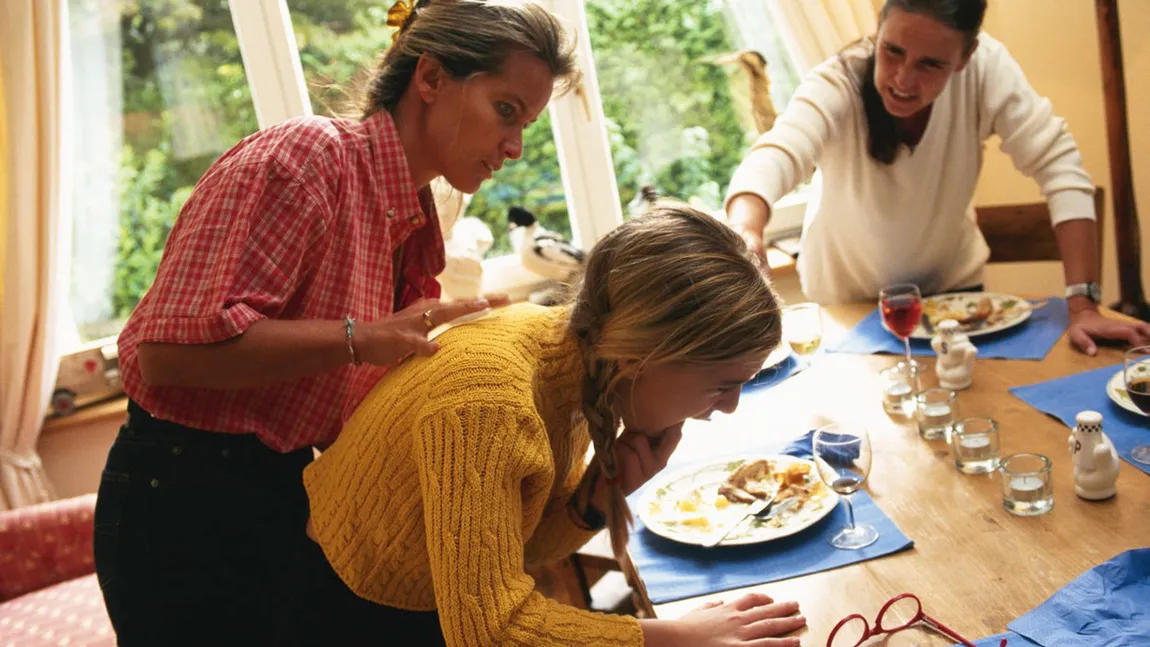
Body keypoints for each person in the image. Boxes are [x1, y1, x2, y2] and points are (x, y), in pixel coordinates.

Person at [93, 1, 580, 643]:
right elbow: (164, 354)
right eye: (506, 111)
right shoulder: (305, 159)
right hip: (183, 501)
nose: (514, 148)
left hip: (280, 490)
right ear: (430, 79)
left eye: (527, 124)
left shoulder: (410, 217)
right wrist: (361, 339)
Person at [298, 205, 807, 646]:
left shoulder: (579, 363)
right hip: (351, 615)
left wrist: (601, 494)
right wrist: (678, 636)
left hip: (420, 606)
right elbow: (490, 631)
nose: (731, 406)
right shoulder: (488, 404)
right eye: (722, 385)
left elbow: (520, 543)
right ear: (643, 358)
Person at [726, 0, 1150, 355]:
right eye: (892, 51)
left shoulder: (987, 69)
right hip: (848, 310)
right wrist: (747, 231)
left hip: (959, 302)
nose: (903, 80)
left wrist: (1084, 305)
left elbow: (1059, 167)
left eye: (930, 65)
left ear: (965, 57)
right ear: (879, 29)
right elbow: (780, 151)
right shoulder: (837, 80)